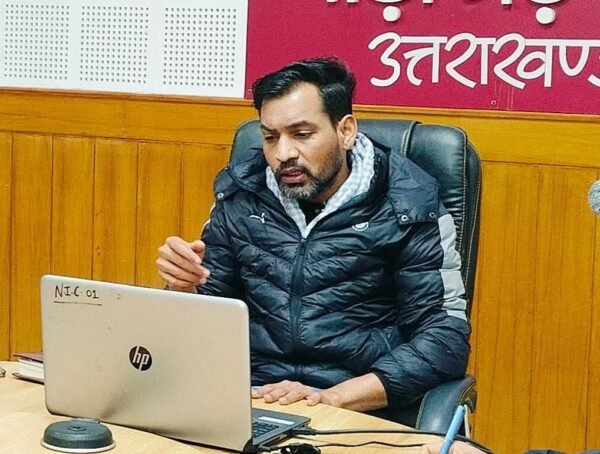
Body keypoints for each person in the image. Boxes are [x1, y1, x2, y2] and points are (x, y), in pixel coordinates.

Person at [156, 57, 470, 417]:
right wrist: (184, 289)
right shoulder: (242, 194)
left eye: (302, 135)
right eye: (270, 137)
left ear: (346, 131)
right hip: (250, 400)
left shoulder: (409, 204)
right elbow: (211, 318)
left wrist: (333, 398)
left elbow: (443, 340)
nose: (283, 154)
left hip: (357, 407)